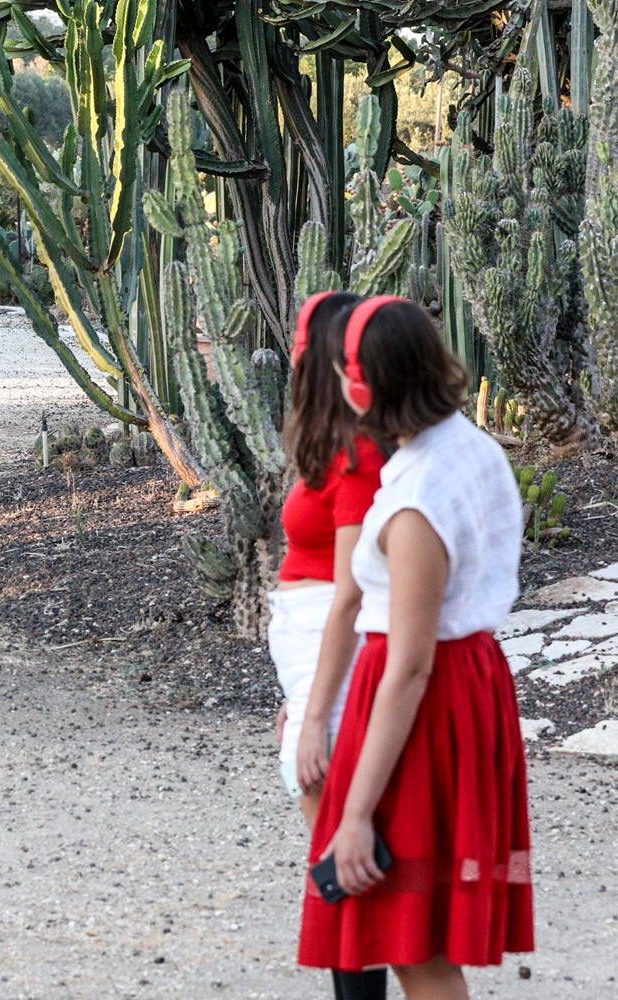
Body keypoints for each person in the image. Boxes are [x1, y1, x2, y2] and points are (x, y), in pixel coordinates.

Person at [298, 296, 534, 1000]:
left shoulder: (415, 500)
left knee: (412, 945)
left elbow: (409, 664)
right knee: (419, 935)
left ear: (365, 385)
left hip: (422, 710)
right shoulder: (468, 446)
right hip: (466, 689)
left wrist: (358, 813)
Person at [268, 290, 388, 1000]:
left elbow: (351, 592)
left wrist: (315, 711)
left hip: (330, 660)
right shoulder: (330, 443)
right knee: (336, 853)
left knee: (342, 859)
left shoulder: (354, 454)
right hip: (312, 661)